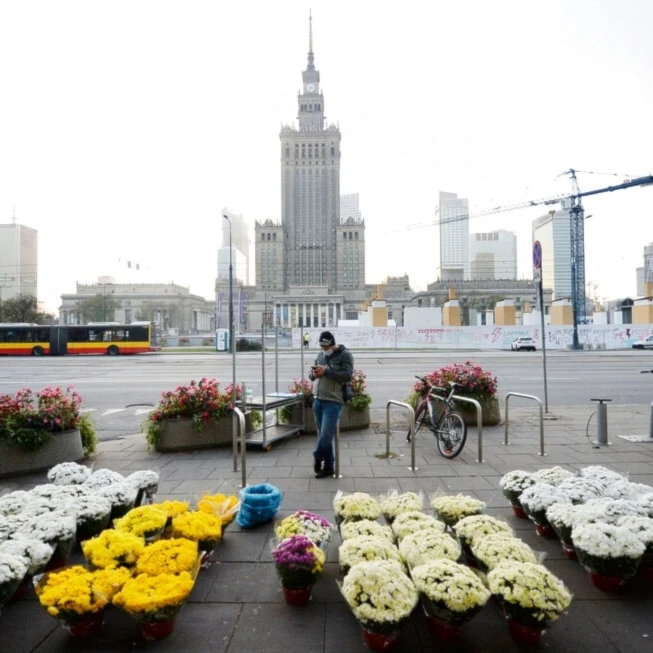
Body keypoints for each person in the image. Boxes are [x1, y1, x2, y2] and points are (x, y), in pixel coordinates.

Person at [308, 331, 353, 478]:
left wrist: (326, 371)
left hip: (333, 401)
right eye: (321, 346)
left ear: (332, 344)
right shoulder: (321, 355)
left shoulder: (344, 355)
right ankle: (328, 467)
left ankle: (317, 455)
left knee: (326, 435)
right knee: (323, 436)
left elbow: (347, 375)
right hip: (318, 399)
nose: (323, 349)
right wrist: (314, 373)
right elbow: (311, 376)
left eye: (326, 347)